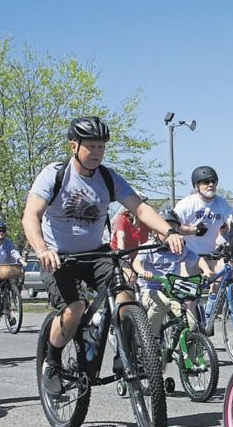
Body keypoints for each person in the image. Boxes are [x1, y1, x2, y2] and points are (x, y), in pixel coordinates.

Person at [22, 116, 184, 395]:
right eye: (91, 146)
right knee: (74, 310)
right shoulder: (55, 174)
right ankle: (52, 361)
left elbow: (140, 209)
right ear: (74, 146)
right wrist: (42, 250)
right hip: (58, 256)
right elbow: (31, 216)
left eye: (102, 147)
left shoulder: (108, 178)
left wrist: (168, 232)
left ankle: (126, 355)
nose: (97, 153)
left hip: (95, 253)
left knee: (125, 297)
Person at [174, 165, 233, 272]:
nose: (210, 184)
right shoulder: (187, 204)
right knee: (191, 287)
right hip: (190, 256)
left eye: (213, 181)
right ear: (196, 186)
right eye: (205, 182)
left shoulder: (222, 204)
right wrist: (193, 230)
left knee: (224, 271)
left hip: (212, 255)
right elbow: (172, 227)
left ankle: (215, 289)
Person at [110, 208, 149, 285]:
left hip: (137, 257)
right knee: (131, 278)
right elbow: (121, 236)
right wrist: (122, 252)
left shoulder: (145, 222)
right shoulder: (122, 219)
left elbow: (157, 232)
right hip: (121, 255)